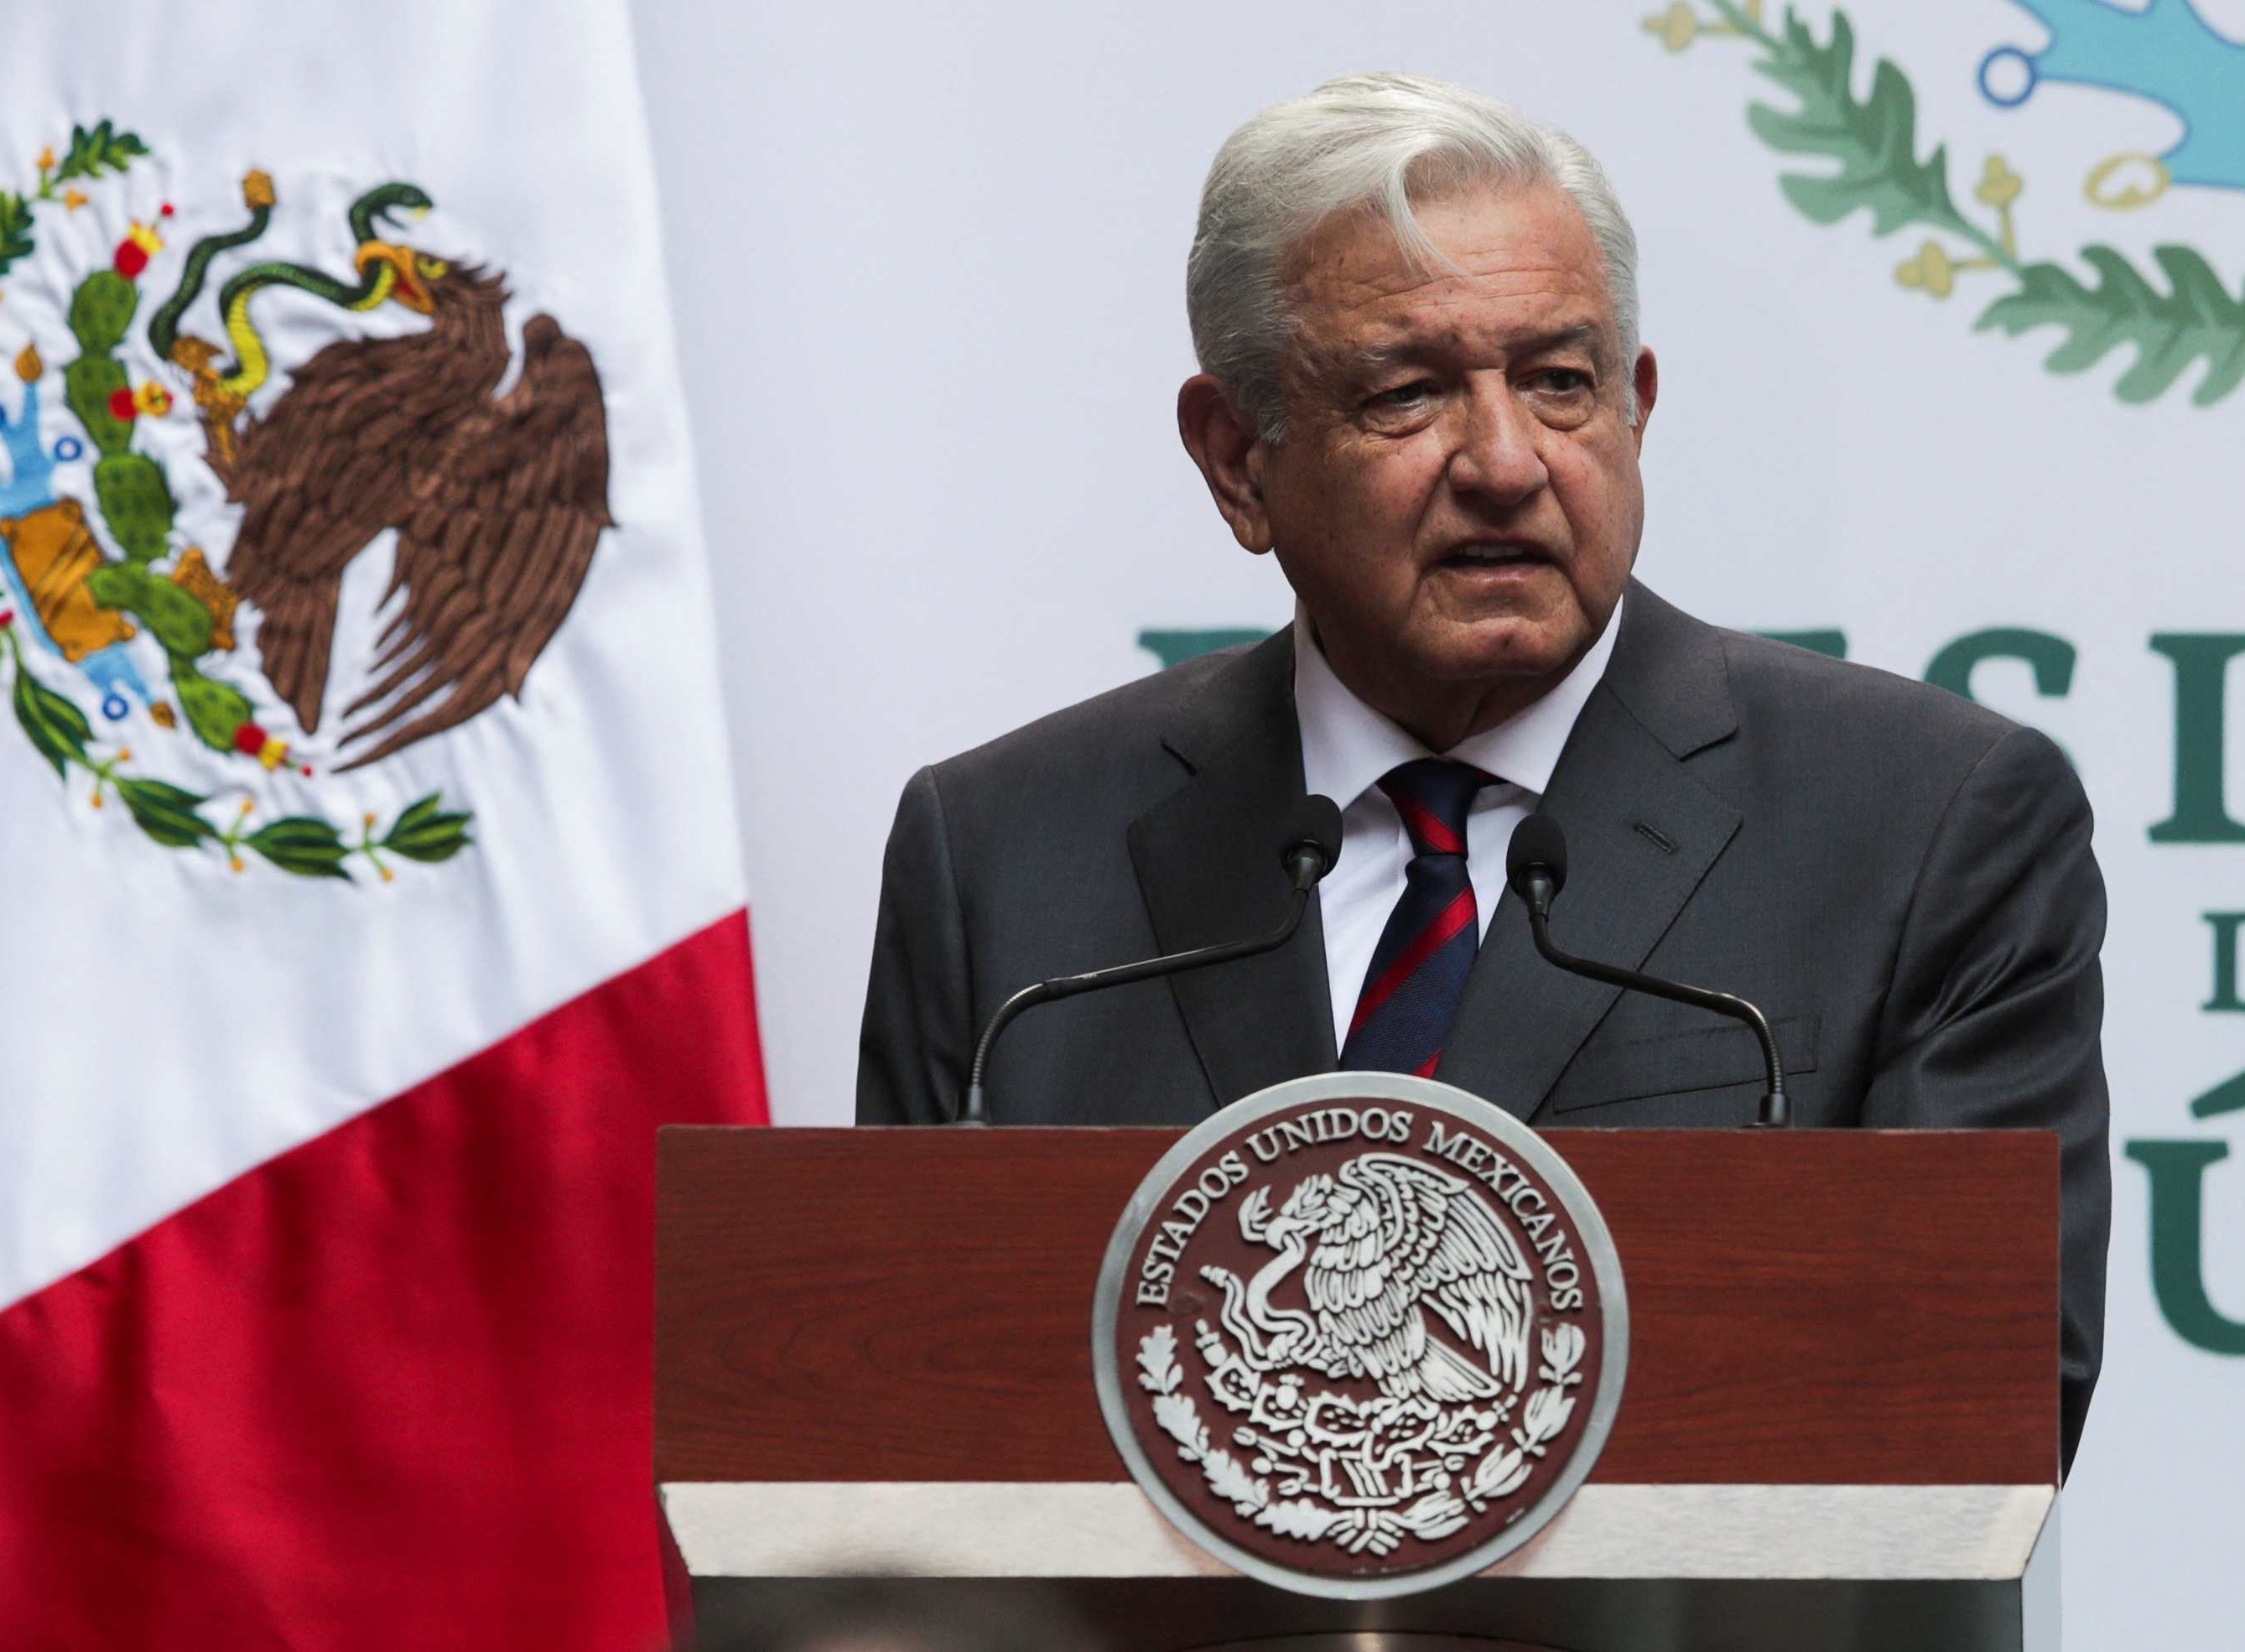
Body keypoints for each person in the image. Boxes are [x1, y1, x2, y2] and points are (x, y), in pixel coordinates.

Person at [855, 73, 2107, 1463]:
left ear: (1636, 409)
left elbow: (1980, 1403)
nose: (1507, 461)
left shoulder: (1923, 823)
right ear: (1237, 462)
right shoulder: (1006, 857)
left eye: (1559, 381)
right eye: (1409, 393)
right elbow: (913, 1433)